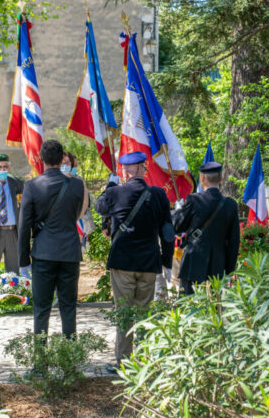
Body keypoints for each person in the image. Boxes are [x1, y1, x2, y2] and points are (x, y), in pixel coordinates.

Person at [96, 151, 174, 372]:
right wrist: (166, 262)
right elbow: (167, 232)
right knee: (143, 313)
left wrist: (110, 186)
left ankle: (124, 362)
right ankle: (145, 360)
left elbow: (100, 207)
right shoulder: (158, 195)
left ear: (125, 171)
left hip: (122, 263)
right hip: (149, 263)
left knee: (124, 313)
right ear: (143, 169)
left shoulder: (116, 192)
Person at [18, 140, 85, 338]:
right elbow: (74, 215)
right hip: (69, 252)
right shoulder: (76, 185)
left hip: (44, 252)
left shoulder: (32, 185)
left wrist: (23, 260)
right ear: (61, 158)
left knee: (41, 308)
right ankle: (71, 357)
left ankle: (40, 363)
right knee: (68, 307)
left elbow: (24, 226)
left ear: (41, 159)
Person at [172, 161, 240, 295]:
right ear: (221, 179)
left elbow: (176, 226)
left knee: (189, 306)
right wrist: (229, 269)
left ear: (202, 178)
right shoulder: (230, 205)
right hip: (217, 266)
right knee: (214, 308)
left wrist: (179, 211)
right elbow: (234, 240)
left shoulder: (194, 200)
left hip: (193, 262)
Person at [61, 152, 93, 245]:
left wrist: (75, 218)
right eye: (63, 163)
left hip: (78, 221)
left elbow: (85, 202)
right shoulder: (55, 180)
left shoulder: (79, 181)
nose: (74, 168)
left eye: (68, 163)